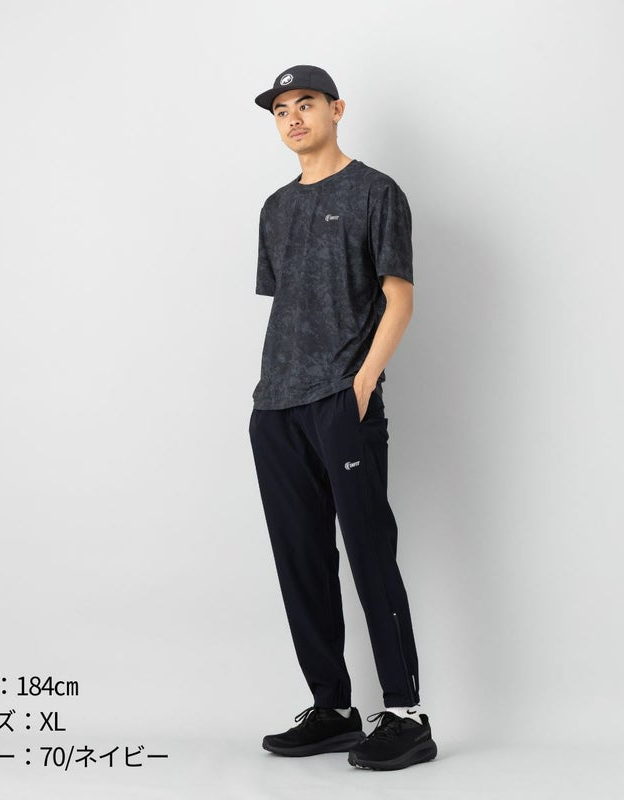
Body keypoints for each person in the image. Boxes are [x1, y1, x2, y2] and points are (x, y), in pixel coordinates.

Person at [248, 65, 438, 772]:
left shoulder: (375, 192)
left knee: (368, 551)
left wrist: (360, 386)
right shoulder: (274, 208)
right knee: (301, 560)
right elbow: (290, 303)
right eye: (281, 110)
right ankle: (332, 709)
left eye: (306, 104)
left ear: (336, 109)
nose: (293, 118)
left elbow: (399, 299)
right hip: (277, 408)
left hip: (341, 402)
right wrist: (270, 398)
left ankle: (406, 714)